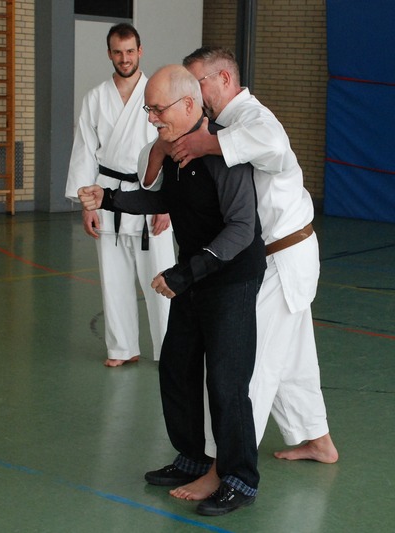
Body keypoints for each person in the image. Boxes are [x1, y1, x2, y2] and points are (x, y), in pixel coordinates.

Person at [78, 64, 266, 517]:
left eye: (157, 109)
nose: (151, 118)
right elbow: (167, 199)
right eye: (148, 109)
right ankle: (191, 458)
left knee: (226, 382)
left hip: (232, 278)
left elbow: (242, 228)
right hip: (196, 277)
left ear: (187, 105)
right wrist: (110, 198)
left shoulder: (223, 151)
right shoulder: (175, 149)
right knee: (176, 368)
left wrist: (186, 273)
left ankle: (240, 477)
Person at [157, 46, 338, 501]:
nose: (194, 92)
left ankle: (222, 468)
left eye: (198, 82)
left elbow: (274, 147)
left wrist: (209, 144)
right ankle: (318, 439)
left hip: (282, 255)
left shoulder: (253, 118)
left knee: (245, 367)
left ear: (223, 78)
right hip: (281, 253)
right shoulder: (219, 123)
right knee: (293, 359)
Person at [65, 23, 175, 367]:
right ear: (109, 53)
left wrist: (168, 204)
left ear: (140, 51)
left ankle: (170, 350)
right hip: (107, 195)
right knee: (114, 280)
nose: (124, 58)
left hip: (151, 195)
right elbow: (85, 150)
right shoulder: (96, 98)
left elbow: (171, 145)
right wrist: (86, 205)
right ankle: (122, 348)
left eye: (129, 51)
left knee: (162, 278)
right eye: (117, 52)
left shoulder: (157, 94)